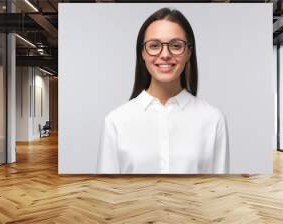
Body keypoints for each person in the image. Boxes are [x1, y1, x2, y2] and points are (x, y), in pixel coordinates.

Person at [96, 7, 229, 174]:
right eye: (154, 45)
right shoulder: (115, 121)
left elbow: (218, 192)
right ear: (142, 53)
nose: (165, 54)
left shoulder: (213, 119)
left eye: (176, 45)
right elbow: (107, 194)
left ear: (189, 52)